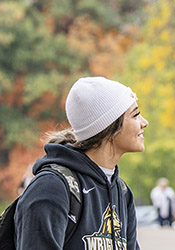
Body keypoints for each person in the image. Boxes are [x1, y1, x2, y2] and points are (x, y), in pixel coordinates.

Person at [15, 76, 148, 250]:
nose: (144, 122)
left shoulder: (122, 192)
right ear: (110, 127)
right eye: (135, 115)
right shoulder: (51, 188)